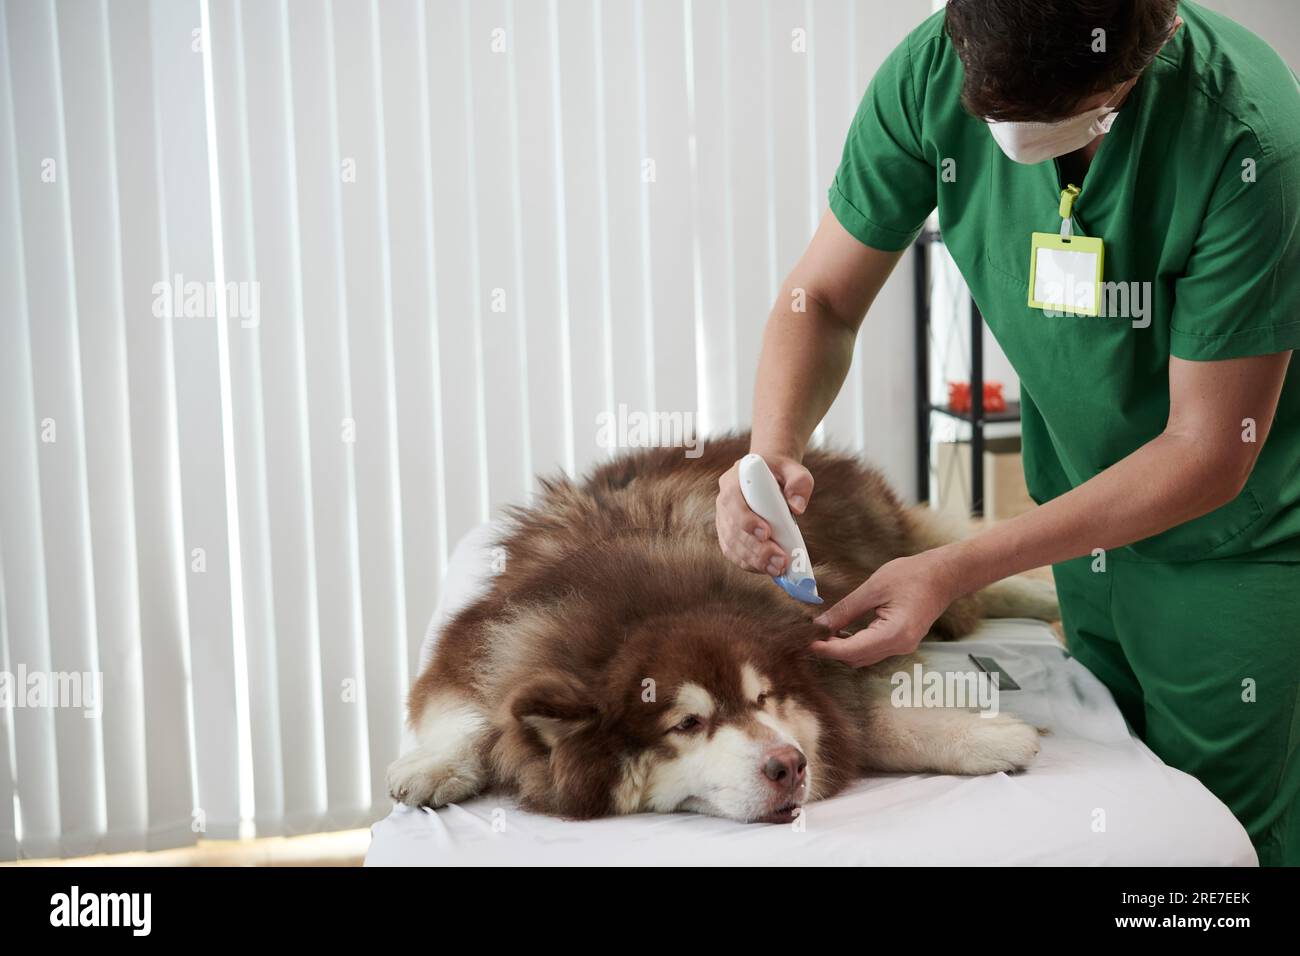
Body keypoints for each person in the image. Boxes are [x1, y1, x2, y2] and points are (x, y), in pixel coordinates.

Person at [714, 0, 1300, 865]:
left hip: (1233, 541)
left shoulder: (1248, 141)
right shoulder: (931, 73)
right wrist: (774, 446)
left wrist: (958, 567)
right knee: (1123, 807)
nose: (1013, 144)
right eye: (992, 114)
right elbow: (825, 299)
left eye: (1064, 116)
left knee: (1215, 848)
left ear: (1161, 34)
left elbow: (1207, 451)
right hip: (1084, 512)